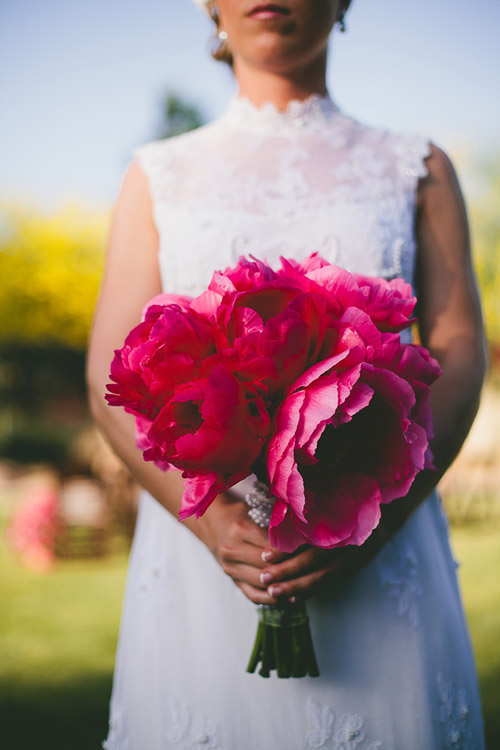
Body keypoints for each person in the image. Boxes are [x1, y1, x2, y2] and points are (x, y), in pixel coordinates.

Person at [87, 1, 487, 747]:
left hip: (380, 537)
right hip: (208, 556)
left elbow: (460, 348)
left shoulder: (418, 166)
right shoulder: (157, 175)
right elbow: (111, 376)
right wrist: (211, 524)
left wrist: (374, 521)